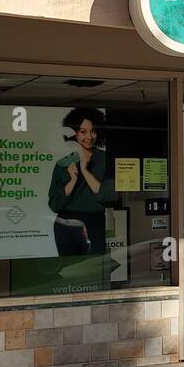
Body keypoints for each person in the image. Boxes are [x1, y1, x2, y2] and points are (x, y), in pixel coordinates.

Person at [48, 106, 112, 255]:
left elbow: (105, 195)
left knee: (93, 268)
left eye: (93, 131)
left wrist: (84, 170)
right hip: (66, 223)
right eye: (83, 132)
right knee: (69, 270)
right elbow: (54, 204)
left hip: (95, 221)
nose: (89, 136)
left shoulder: (105, 160)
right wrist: (72, 181)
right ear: (74, 133)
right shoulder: (63, 163)